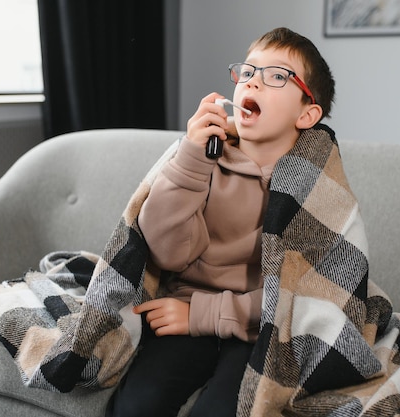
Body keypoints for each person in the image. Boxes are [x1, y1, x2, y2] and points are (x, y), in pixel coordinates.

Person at [106, 27, 335, 417]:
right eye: (248, 72)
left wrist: (202, 316)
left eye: (277, 76)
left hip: (262, 328)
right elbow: (167, 251)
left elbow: (303, 298)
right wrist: (191, 158)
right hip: (184, 307)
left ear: (307, 113)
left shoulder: (316, 186)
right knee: (136, 405)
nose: (255, 83)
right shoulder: (205, 158)